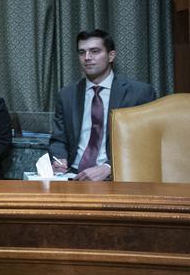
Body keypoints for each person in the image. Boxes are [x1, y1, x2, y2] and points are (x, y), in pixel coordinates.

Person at [49, 29, 157, 181]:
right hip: (72, 174)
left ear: (111, 55)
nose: (87, 57)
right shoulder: (67, 94)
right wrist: (59, 160)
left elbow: (146, 142)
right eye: (82, 52)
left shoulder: (139, 93)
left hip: (116, 175)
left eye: (94, 51)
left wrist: (109, 167)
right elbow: (58, 139)